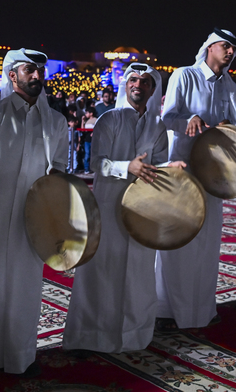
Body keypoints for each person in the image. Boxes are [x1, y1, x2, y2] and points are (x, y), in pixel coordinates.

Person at [63, 63, 185, 353]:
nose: (138, 85)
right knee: (103, 272)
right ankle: (90, 336)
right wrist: (126, 167)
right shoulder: (110, 120)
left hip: (142, 210)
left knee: (139, 273)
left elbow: (153, 169)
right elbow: (97, 164)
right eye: (133, 80)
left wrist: (170, 169)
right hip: (108, 209)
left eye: (144, 82)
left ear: (152, 89)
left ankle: (135, 336)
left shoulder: (158, 127)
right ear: (125, 85)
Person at [0, 49, 68, 385]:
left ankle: (20, 357)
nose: (37, 76)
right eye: (29, 70)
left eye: (40, 71)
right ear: (12, 76)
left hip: (31, 219)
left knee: (26, 287)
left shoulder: (56, 121)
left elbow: (61, 168)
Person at [156, 28, 236, 330]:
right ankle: (166, 309)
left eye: (234, 48)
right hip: (183, 169)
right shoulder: (184, 75)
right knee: (178, 239)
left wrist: (226, 126)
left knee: (208, 240)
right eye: (225, 46)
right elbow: (166, 118)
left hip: (213, 173)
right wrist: (187, 119)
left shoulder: (229, 83)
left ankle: (201, 309)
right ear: (209, 47)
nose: (230, 52)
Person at [81, 107, 97, 174]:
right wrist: (82, 121)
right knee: (87, 154)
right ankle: (86, 169)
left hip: (94, 140)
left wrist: (94, 133)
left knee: (93, 155)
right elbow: (82, 128)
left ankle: (94, 169)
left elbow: (98, 128)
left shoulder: (95, 120)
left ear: (91, 113)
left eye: (87, 113)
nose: (86, 114)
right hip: (87, 140)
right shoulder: (86, 121)